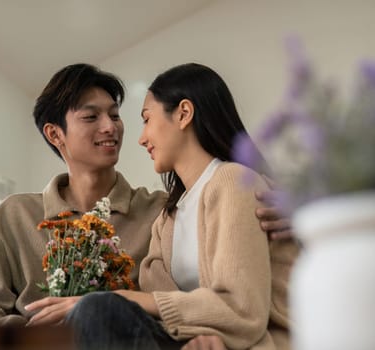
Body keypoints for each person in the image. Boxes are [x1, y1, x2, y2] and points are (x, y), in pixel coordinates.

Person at [0, 63, 293, 348]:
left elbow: (221, 292)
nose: (110, 127)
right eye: (91, 117)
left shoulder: (161, 210)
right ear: (56, 135)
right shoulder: (15, 215)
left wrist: (298, 215)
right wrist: (47, 334)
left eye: (115, 115)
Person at [64, 63, 299, 350]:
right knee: (91, 315)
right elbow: (168, 313)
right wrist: (197, 335)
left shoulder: (233, 180)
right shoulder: (166, 221)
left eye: (147, 119)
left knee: (98, 310)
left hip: (259, 344)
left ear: (184, 113)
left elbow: (241, 310)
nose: (141, 138)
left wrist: (126, 297)